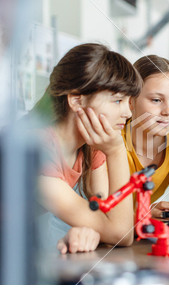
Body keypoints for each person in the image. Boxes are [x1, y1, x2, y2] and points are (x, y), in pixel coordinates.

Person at [36, 43, 142, 253]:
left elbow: (109, 217)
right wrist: (117, 151)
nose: (128, 113)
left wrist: (91, 229)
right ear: (77, 100)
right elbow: (121, 233)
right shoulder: (37, 151)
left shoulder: (91, 146)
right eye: (118, 100)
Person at [122, 55, 169, 218]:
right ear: (131, 101)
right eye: (156, 100)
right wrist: (144, 214)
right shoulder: (112, 140)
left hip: (133, 234)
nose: (168, 111)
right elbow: (105, 211)